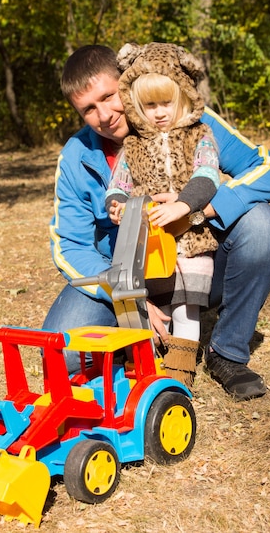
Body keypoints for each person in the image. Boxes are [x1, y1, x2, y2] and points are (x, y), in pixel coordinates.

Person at [44, 44, 270, 401]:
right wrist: (128, 299)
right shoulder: (76, 157)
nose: (104, 115)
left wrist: (198, 210)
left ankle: (227, 352)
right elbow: (71, 247)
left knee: (263, 226)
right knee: (64, 353)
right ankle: (135, 347)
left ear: (127, 83)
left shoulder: (192, 121)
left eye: (109, 96)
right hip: (127, 276)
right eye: (88, 110)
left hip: (199, 261)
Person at [104, 42, 221, 387]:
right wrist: (117, 205)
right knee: (155, 303)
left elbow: (207, 174)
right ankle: (141, 369)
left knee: (189, 307)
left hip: (193, 240)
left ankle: (180, 374)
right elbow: (119, 183)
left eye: (166, 102)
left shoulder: (199, 136)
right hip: (151, 243)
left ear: (183, 97)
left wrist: (183, 205)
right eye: (149, 105)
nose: (158, 113)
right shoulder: (133, 145)